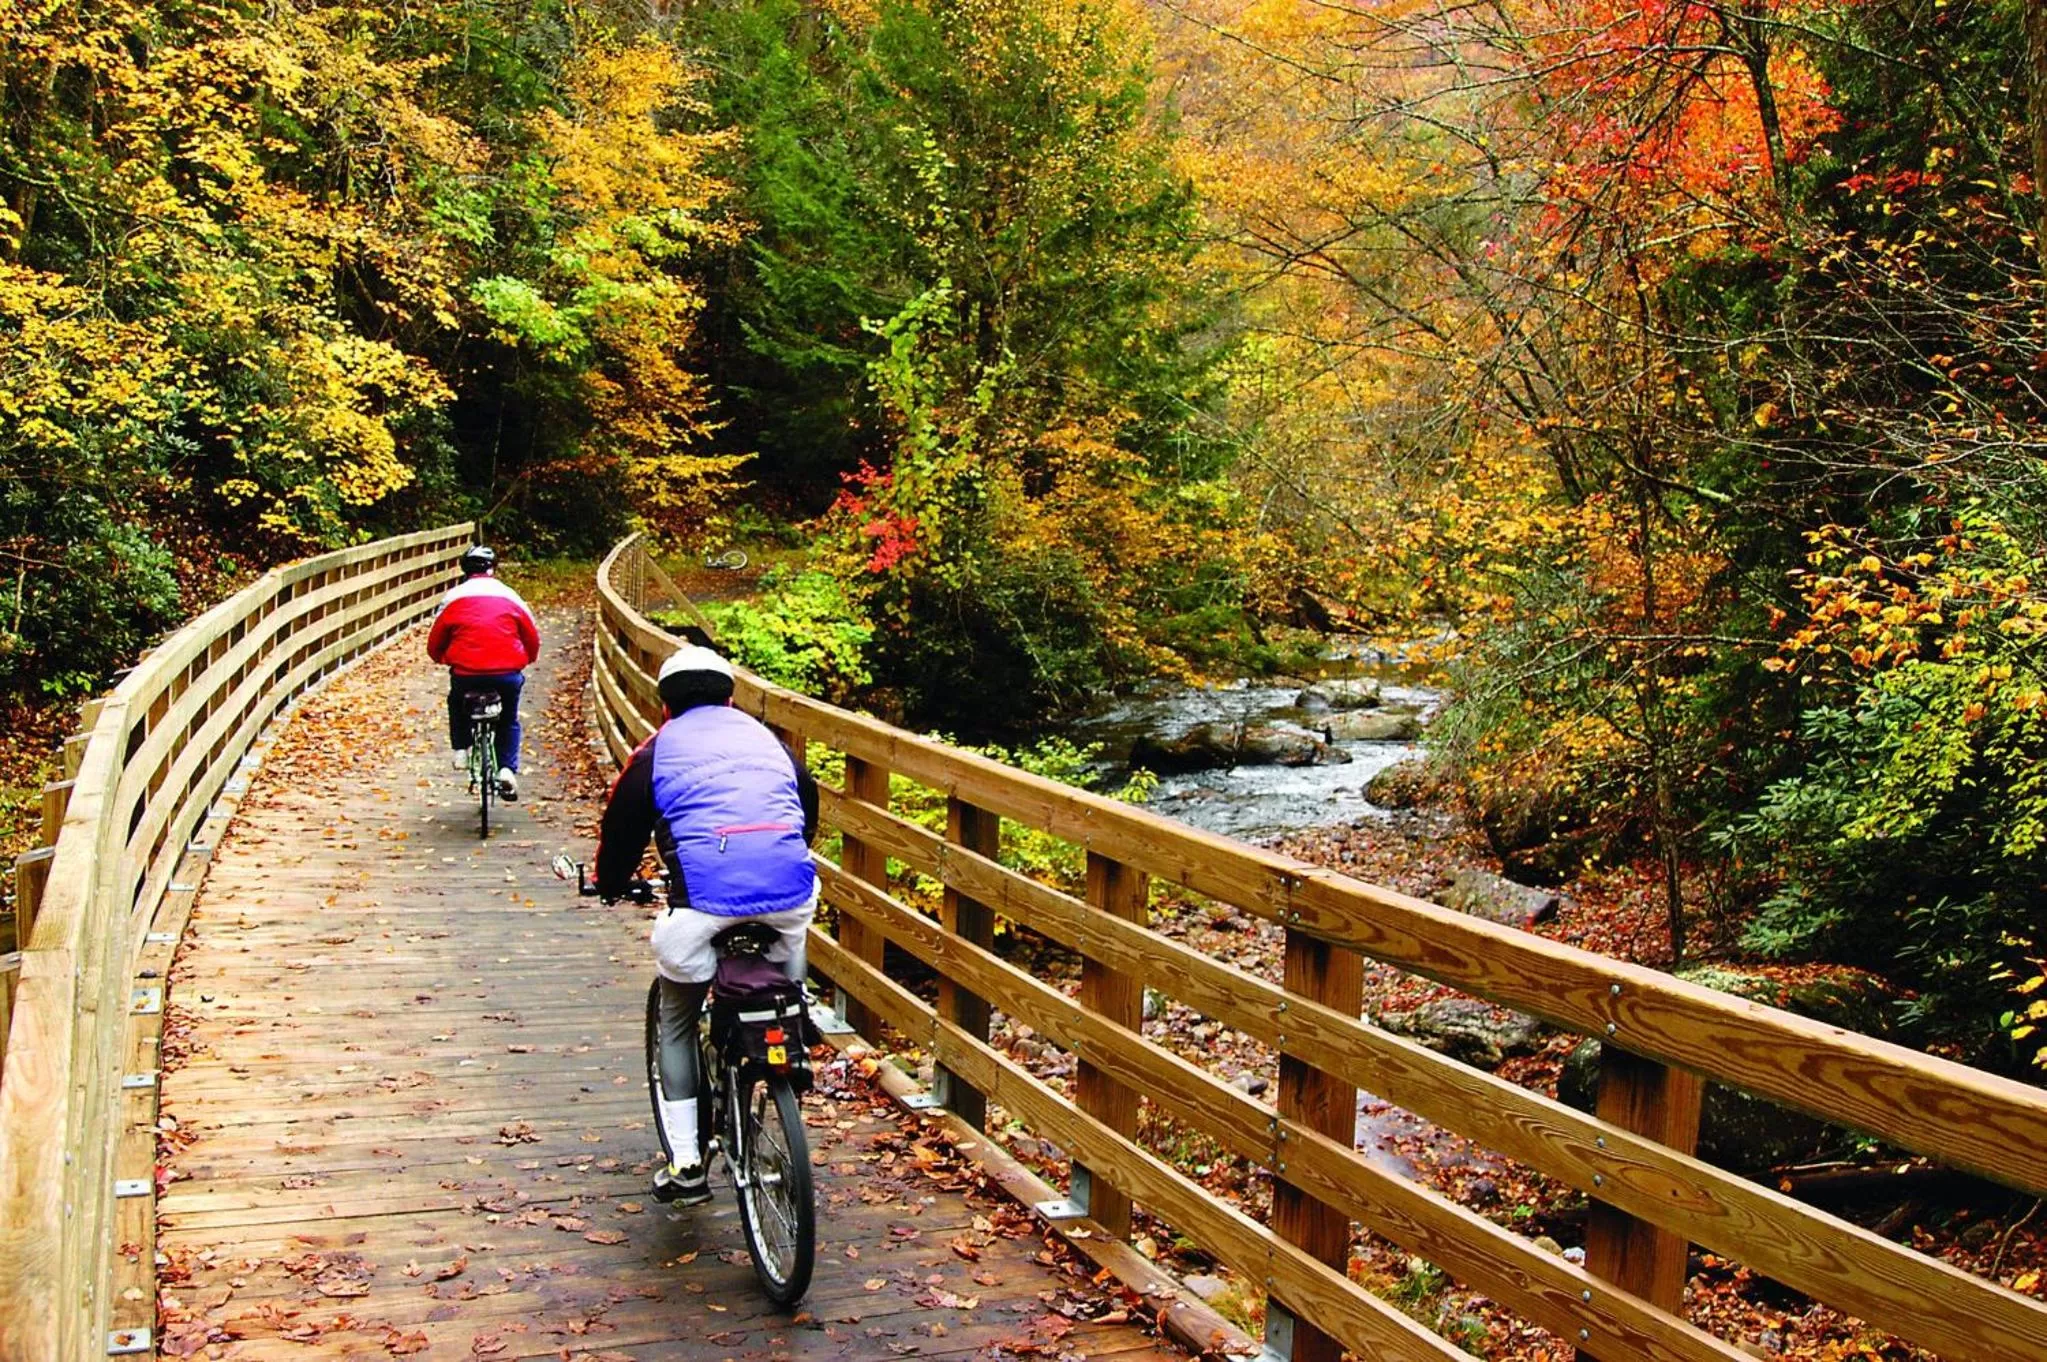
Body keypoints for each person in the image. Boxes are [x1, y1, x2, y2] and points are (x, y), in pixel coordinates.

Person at [594, 644, 819, 1204]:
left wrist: (611, 883)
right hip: (790, 892)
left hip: (702, 904)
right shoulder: (771, 743)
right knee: (786, 979)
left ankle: (688, 1164)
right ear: (729, 694)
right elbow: (805, 807)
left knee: (677, 1014)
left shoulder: (659, 749)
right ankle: (796, 1027)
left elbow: (621, 828)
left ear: (664, 703)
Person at [426, 545, 541, 801]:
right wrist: (529, 657)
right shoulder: (510, 596)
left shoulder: (453, 597)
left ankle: (460, 750)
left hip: (467, 673)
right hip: (507, 673)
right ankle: (507, 769)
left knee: (456, 702)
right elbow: (531, 634)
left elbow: (435, 639)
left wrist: (440, 658)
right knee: (508, 718)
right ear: (493, 569)